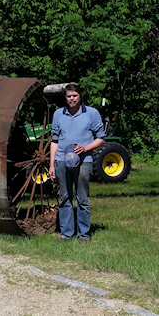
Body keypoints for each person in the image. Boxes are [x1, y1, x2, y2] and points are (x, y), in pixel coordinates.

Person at [48, 83, 105, 242]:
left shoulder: (92, 113)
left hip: (83, 161)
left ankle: (84, 234)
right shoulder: (59, 114)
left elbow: (101, 138)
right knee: (65, 198)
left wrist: (85, 147)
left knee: (82, 199)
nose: (72, 99)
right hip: (61, 161)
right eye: (68, 96)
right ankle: (66, 233)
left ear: (80, 96)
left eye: (74, 96)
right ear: (65, 98)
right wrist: (52, 165)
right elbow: (54, 140)